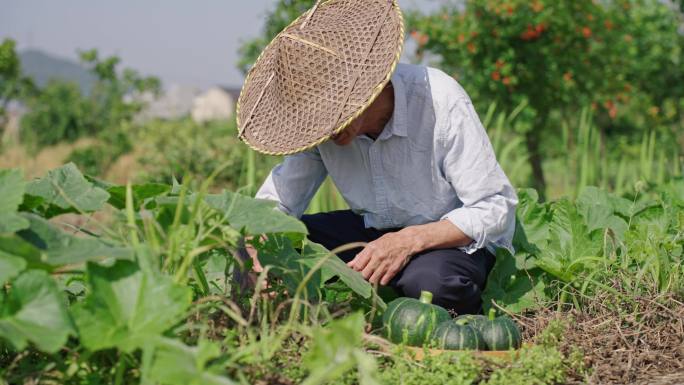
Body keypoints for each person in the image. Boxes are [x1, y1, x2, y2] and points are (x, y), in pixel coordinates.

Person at [236, 0, 517, 315]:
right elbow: (277, 204)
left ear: (369, 87)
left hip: (447, 237)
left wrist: (409, 240)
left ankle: (406, 293)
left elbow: (494, 208)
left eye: (337, 117)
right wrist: (258, 247)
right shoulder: (322, 132)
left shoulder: (439, 100)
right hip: (372, 230)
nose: (328, 132)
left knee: (431, 285)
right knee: (265, 244)